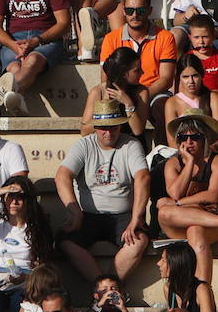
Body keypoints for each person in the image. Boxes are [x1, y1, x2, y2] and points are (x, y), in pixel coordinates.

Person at [55, 99, 150, 282]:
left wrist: (136, 218)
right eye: (103, 127)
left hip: (123, 215)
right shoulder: (84, 145)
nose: (108, 132)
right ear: (95, 127)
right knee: (65, 241)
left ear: (121, 126)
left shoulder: (131, 145)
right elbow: (62, 176)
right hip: (88, 214)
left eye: (113, 127)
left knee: (139, 242)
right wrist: (74, 211)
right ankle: (103, 287)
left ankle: (109, 287)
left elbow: (143, 177)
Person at [157, 111, 218, 283]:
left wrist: (178, 203)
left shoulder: (217, 161)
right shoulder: (173, 163)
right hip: (180, 224)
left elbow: (213, 195)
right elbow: (175, 192)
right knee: (163, 212)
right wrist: (189, 163)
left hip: (211, 223)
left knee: (195, 230)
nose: (188, 142)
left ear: (204, 138)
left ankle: (202, 289)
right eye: (183, 137)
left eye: (195, 137)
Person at [0, 176, 54, 312]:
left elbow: (43, 268)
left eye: (19, 197)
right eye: (10, 196)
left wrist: (25, 278)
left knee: (18, 303)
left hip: (25, 280)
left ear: (28, 200)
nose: (14, 202)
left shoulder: (37, 228)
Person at [99, 0, 178, 116]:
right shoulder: (111, 39)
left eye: (140, 10)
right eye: (130, 11)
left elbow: (166, 79)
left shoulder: (165, 37)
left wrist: (141, 97)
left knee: (162, 107)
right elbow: (105, 77)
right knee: (98, 98)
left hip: (154, 93)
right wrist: (122, 97)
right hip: (120, 92)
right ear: (124, 11)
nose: (134, 15)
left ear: (150, 11)